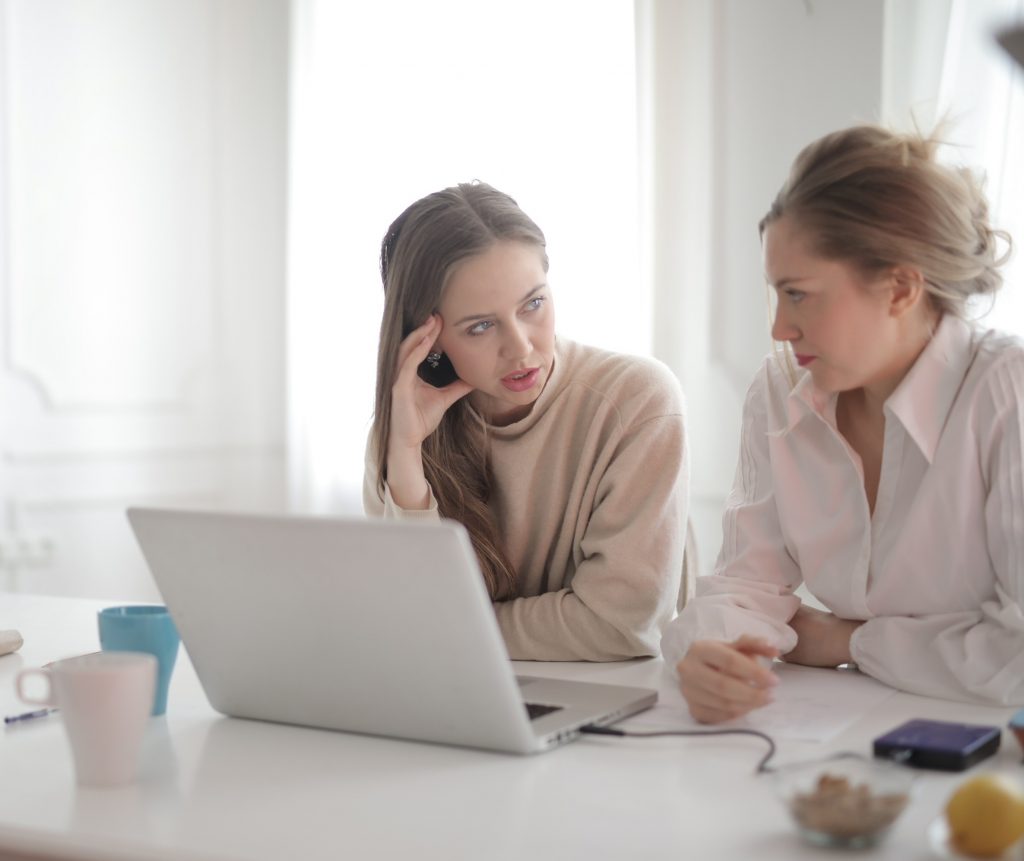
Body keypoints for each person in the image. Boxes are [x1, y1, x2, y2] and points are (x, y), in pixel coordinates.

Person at [661, 124, 1024, 722]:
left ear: (901, 287)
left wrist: (852, 642)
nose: (780, 327)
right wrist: (710, 653)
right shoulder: (780, 391)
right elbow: (746, 586)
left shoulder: (1005, 391)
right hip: (841, 731)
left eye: (799, 295)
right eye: (776, 295)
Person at [364, 181, 689, 661]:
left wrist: (455, 627)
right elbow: (410, 616)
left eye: (533, 304)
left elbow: (621, 626)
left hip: (622, 699)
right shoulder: (404, 433)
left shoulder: (638, 400)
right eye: (480, 326)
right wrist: (407, 458)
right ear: (427, 340)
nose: (520, 347)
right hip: (468, 695)